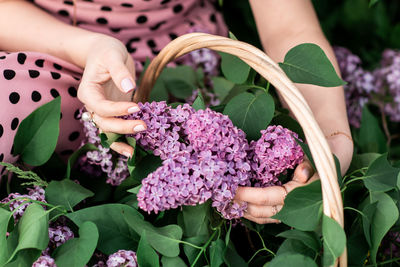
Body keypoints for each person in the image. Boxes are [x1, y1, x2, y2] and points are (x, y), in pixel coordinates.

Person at [0, 0, 353, 224]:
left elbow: (288, 27)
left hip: (182, 66)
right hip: (48, 43)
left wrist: (330, 138)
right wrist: (89, 47)